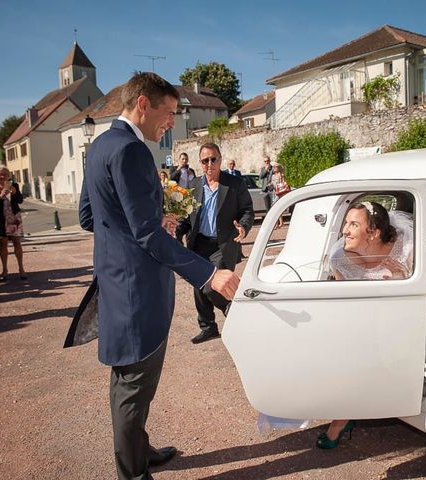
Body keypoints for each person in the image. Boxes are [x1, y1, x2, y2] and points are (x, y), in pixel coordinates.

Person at [77, 72, 240, 480]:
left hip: (116, 281)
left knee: (129, 381)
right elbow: (147, 235)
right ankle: (133, 473)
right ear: (143, 104)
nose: (171, 122)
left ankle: (140, 450)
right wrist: (207, 275)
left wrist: (145, 220)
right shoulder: (132, 150)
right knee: (134, 385)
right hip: (138, 290)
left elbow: (88, 216)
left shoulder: (99, 146)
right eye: (168, 112)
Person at [317, 201, 413, 449]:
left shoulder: (406, 248)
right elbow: (342, 301)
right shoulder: (340, 257)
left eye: (353, 224)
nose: (344, 231)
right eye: (346, 223)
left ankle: (343, 418)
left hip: (404, 323)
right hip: (363, 325)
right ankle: (344, 415)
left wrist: (402, 277)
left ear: (374, 232)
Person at [176, 142, 254, 344]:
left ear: (220, 160)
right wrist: (175, 232)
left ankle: (232, 309)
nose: (209, 164)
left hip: (222, 244)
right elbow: (185, 218)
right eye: (205, 160)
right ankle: (208, 327)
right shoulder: (193, 187)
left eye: (213, 159)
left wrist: (243, 227)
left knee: (211, 284)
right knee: (198, 286)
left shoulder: (234, 184)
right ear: (200, 163)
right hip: (199, 244)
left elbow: (247, 210)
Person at [0, 165, 26, 281]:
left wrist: (14, 192)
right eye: (0, 174)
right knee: (2, 244)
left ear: (8, 175)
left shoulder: (14, 185)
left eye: (5, 174)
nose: (2, 176)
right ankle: (4, 270)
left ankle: (21, 269)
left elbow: (20, 201)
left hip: (13, 217)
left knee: (16, 242)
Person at [268, 163, 287, 228]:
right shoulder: (273, 176)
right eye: (274, 167)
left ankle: (276, 224)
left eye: (276, 167)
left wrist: (282, 180)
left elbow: (284, 183)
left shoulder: (281, 175)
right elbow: (272, 183)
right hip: (274, 192)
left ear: (279, 168)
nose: (274, 168)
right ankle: (281, 223)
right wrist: (270, 184)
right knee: (277, 207)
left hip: (279, 193)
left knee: (274, 207)